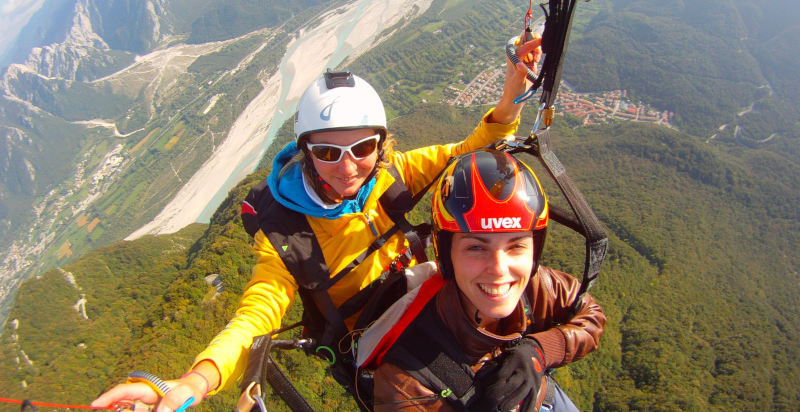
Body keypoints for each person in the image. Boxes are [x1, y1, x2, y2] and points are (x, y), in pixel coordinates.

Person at [91, 36, 543, 411]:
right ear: (306, 153)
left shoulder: (393, 174)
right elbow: (256, 313)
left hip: (426, 296)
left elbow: (474, 148)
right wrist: (197, 379)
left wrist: (510, 96)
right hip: (379, 345)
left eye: (362, 148)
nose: (347, 168)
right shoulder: (289, 234)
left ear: (380, 147)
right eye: (328, 153)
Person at [358, 149, 606, 411]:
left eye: (516, 246)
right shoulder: (405, 380)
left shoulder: (538, 286)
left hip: (545, 398)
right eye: (476, 247)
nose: (499, 269)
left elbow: (591, 314)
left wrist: (540, 351)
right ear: (447, 255)